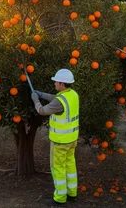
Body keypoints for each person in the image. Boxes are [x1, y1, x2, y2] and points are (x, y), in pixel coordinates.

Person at [31, 69, 79, 205]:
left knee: (58, 168)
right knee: (70, 165)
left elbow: (42, 111)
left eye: (56, 82)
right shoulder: (73, 94)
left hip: (60, 142)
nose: (54, 84)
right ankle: (72, 194)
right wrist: (41, 94)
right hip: (72, 139)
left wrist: (36, 100)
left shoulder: (60, 101)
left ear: (62, 84)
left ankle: (59, 199)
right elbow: (55, 98)